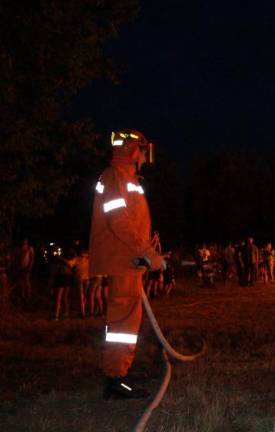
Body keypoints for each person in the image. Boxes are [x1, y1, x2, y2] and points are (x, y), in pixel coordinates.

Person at [89, 129, 164, 399]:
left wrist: (146, 250)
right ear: (133, 150)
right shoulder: (115, 177)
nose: (145, 157)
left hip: (128, 261)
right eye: (144, 150)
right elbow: (118, 220)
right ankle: (115, 379)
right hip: (123, 260)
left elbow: (130, 221)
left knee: (127, 324)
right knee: (122, 326)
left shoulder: (126, 178)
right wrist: (146, 251)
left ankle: (119, 373)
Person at [73, 249, 90, 318]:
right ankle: (83, 311)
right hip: (87, 278)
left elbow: (69, 264)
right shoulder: (88, 260)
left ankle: (82, 313)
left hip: (80, 278)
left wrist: (61, 259)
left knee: (81, 296)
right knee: (84, 296)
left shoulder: (77, 259)